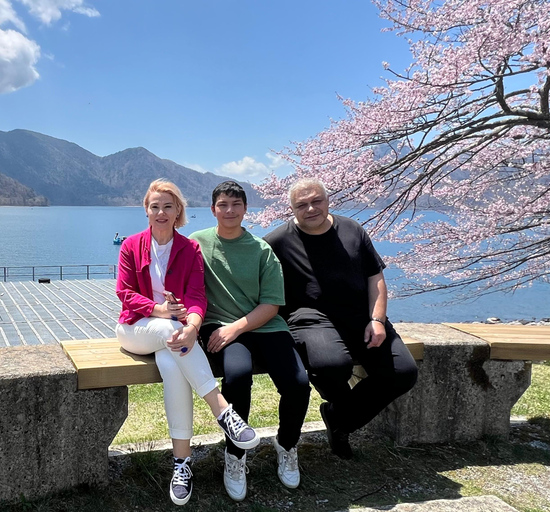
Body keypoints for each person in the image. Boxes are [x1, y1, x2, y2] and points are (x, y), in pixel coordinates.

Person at [115, 179, 259, 506]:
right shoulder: (131, 246)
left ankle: (182, 463)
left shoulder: (189, 248)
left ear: (178, 210)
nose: (161, 212)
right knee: (170, 332)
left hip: (176, 338)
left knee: (172, 364)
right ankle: (222, 409)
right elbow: (123, 293)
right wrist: (159, 309)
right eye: (155, 206)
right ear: (147, 211)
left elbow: (196, 296)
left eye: (168, 206)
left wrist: (194, 325)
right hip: (135, 329)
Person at [264, 177, 418, 459]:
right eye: (302, 205)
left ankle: (339, 418)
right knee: (331, 366)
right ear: (292, 209)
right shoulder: (277, 242)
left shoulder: (352, 230)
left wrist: (377, 320)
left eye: (316, 201)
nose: (311, 208)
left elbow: (376, 278)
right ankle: (342, 417)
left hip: (361, 316)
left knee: (403, 373)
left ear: (327, 200)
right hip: (309, 319)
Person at [190, 181, 311, 501]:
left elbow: (272, 305)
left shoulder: (261, 249)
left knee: (298, 384)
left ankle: (286, 445)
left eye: (236, 204)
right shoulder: (196, 243)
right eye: (223, 205)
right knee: (238, 376)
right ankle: (235, 455)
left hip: (266, 325)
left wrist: (237, 329)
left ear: (246, 209)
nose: (229, 211)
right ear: (213, 209)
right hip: (218, 324)